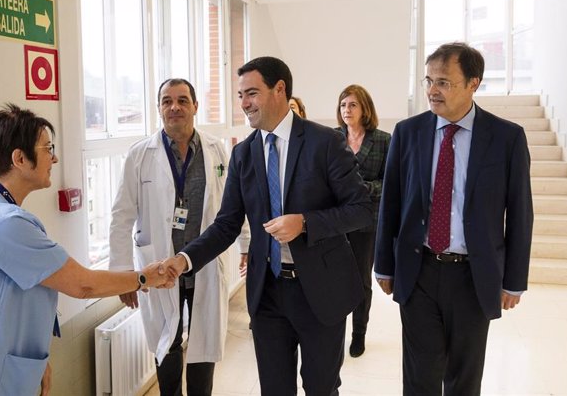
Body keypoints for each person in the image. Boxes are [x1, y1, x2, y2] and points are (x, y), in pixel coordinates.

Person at [0, 104, 172, 396]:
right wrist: (146, 277)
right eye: (48, 148)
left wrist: (36, 361)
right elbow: (82, 284)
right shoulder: (3, 224)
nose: (54, 157)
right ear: (19, 158)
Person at [162, 56, 373, 395]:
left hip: (320, 291)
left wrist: (305, 222)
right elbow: (227, 224)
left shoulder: (325, 143)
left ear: (280, 90)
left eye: (252, 93)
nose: (244, 103)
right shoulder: (244, 154)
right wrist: (184, 260)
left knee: (321, 387)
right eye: (240, 95)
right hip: (268, 293)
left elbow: (362, 209)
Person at [375, 42, 533, 396]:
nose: (433, 90)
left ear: (473, 83)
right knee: (420, 376)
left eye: (444, 82)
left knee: (464, 377)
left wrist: (514, 279)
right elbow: (392, 202)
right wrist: (384, 265)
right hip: (419, 271)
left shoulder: (506, 138)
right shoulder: (408, 132)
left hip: (473, 275)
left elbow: (520, 211)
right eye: (429, 80)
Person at [109, 78, 248, 396]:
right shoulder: (140, 155)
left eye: (183, 100)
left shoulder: (216, 151)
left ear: (195, 107)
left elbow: (234, 205)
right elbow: (121, 218)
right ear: (159, 108)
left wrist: (246, 245)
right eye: (167, 101)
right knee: (165, 344)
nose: (175, 107)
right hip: (159, 267)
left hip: (204, 266)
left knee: (204, 346)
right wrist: (122, 276)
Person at [335, 84, 390, 357]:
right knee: (332, 279)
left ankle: (359, 333)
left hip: (366, 222)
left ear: (364, 108)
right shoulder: (331, 138)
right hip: (333, 222)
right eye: (344, 105)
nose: (347, 110)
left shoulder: (382, 140)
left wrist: (364, 189)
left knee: (360, 282)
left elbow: (391, 183)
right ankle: (333, 332)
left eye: (353, 105)